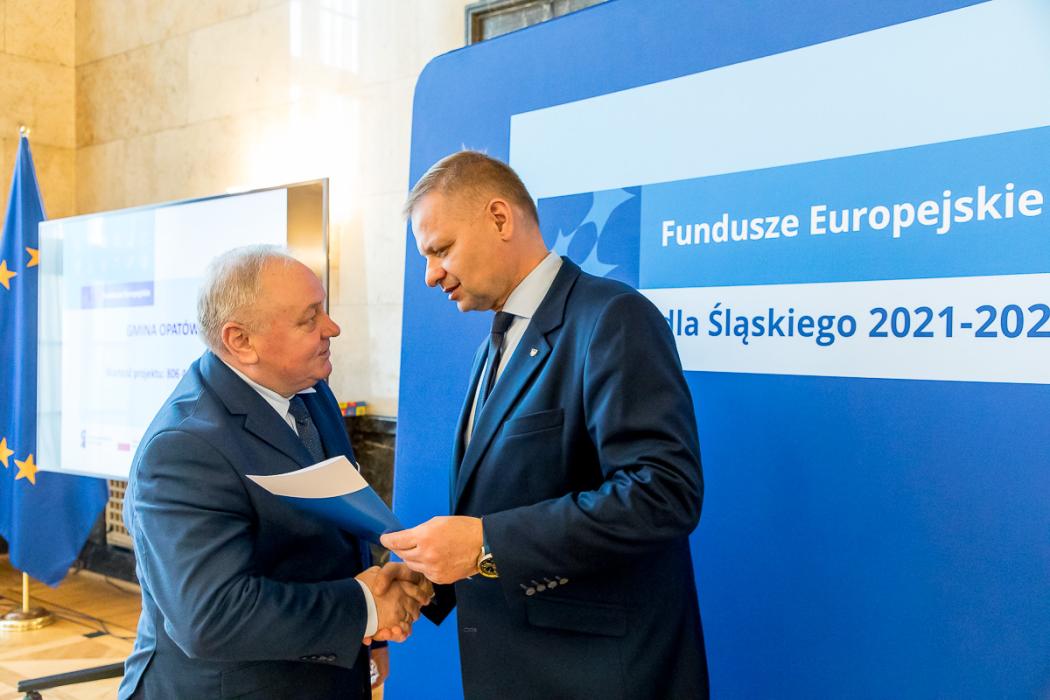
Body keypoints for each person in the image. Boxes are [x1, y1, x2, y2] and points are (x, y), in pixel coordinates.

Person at [382, 151, 709, 699]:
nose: (431, 274)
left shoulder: (613, 317)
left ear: (499, 218)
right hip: (518, 671)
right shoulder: (494, 344)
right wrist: (430, 579)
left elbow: (663, 494)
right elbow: (505, 501)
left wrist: (485, 544)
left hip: (599, 678)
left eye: (441, 249)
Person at [120, 246, 428, 700]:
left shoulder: (310, 391)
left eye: (324, 309)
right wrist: (366, 608)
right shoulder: (183, 448)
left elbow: (339, 526)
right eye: (309, 318)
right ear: (241, 341)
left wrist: (370, 635)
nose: (332, 328)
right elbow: (212, 617)